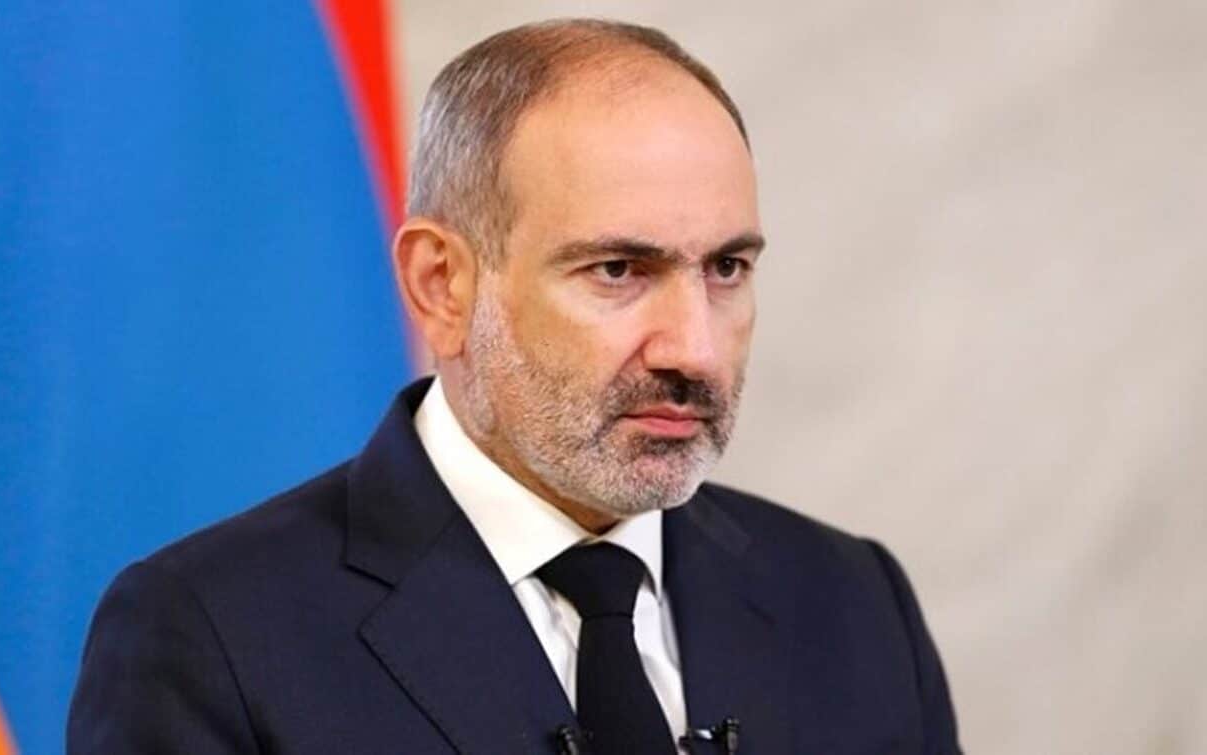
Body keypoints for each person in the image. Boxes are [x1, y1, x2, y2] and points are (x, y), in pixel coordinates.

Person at [68, 18, 960, 754]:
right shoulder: (209, 635)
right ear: (442, 285)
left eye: (726, 268)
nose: (693, 349)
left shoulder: (854, 602)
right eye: (618, 270)